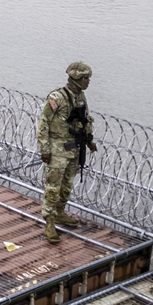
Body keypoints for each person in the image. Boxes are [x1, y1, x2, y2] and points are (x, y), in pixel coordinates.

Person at [36, 61, 97, 244]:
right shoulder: (57, 98)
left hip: (73, 149)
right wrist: (45, 149)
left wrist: (89, 141)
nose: (88, 81)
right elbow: (44, 123)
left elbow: (84, 121)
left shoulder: (81, 98)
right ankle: (49, 222)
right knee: (53, 188)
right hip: (57, 149)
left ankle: (60, 213)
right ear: (77, 78)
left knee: (66, 186)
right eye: (85, 78)